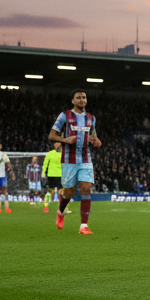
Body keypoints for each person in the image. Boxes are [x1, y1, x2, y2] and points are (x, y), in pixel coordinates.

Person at [49, 90, 102, 235]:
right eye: (78, 98)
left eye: (84, 97)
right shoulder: (64, 116)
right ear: (73, 101)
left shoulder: (91, 118)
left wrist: (96, 141)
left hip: (85, 159)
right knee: (69, 192)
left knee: (86, 188)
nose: (82, 100)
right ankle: (60, 211)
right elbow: (52, 135)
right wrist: (64, 139)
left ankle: (83, 225)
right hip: (68, 160)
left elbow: (93, 135)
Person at [42, 144, 62, 213]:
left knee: (61, 193)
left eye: (59, 145)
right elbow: (45, 163)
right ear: (53, 145)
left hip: (60, 175)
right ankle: (46, 207)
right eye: (56, 145)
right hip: (51, 175)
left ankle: (61, 208)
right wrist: (43, 173)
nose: (57, 146)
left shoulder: (63, 154)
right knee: (49, 192)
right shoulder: (50, 154)